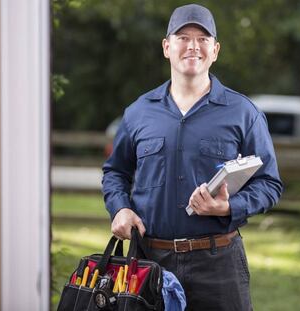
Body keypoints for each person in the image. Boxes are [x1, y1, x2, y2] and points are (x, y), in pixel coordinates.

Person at [102, 3, 283, 310]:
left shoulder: (243, 113)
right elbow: (115, 172)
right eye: (183, 37)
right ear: (167, 46)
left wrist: (229, 206)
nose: (193, 46)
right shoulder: (138, 113)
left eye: (202, 39)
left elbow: (269, 184)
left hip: (219, 265)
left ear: (215, 50)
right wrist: (120, 209)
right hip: (151, 262)